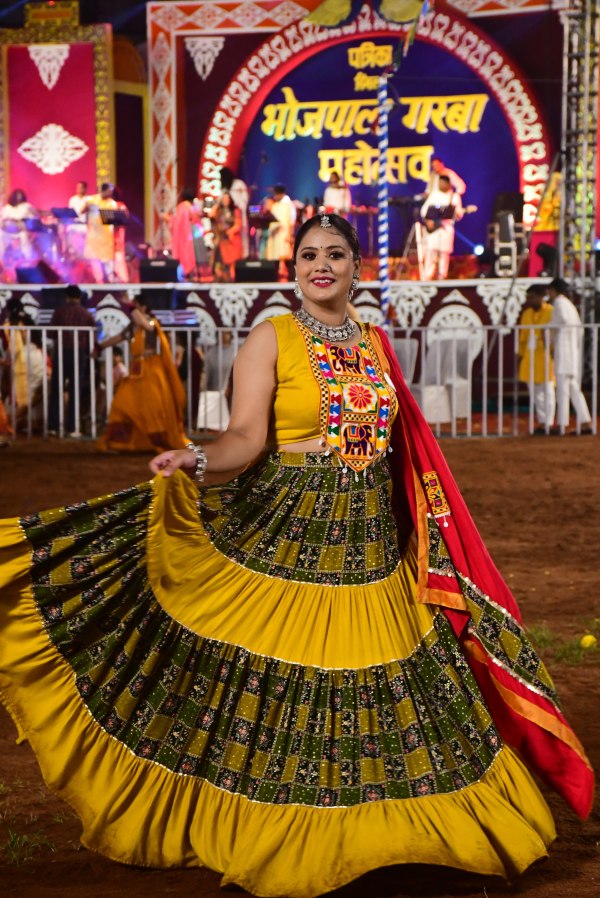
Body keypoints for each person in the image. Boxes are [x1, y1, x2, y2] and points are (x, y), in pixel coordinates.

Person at [0, 213, 593, 898]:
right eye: (308, 254)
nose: (321, 265)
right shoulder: (272, 338)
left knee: (389, 698)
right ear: (293, 268)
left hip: (369, 554)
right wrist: (197, 457)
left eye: (335, 254)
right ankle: (301, 836)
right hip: (289, 543)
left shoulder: (376, 344)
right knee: (291, 697)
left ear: (355, 266)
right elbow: (246, 438)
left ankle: (412, 837)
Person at [97, 296, 188, 452]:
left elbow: (144, 324)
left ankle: (155, 442)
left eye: (137, 306)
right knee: (122, 403)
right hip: (136, 371)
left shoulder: (152, 323)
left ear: (144, 308)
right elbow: (118, 338)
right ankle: (120, 442)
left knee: (152, 408)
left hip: (152, 372)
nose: (133, 311)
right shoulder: (133, 325)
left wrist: (130, 306)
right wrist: (100, 346)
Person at [47, 284, 96, 438]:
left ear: (66, 297)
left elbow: (51, 334)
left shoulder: (59, 312)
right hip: (79, 354)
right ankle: (73, 427)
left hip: (61, 353)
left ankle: (53, 427)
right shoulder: (87, 315)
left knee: (56, 390)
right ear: (80, 297)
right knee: (76, 390)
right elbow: (92, 339)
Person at [547, 277, 593, 435]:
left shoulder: (559, 303)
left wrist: (550, 328)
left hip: (564, 351)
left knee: (563, 389)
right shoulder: (569, 305)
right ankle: (585, 422)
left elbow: (563, 321)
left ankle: (562, 424)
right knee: (573, 388)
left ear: (554, 290)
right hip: (572, 351)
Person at [517, 283, 556, 433]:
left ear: (541, 297)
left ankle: (549, 423)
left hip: (546, 358)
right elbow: (522, 339)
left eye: (533, 297)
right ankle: (542, 422)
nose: (530, 301)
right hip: (529, 358)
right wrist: (519, 358)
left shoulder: (551, 312)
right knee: (535, 394)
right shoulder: (526, 314)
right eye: (528, 298)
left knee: (548, 392)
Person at [83, 183, 129, 283]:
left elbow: (118, 220)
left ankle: (111, 280)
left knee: (108, 260)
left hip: (107, 237)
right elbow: (82, 211)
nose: (111, 193)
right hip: (93, 236)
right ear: (105, 190)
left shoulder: (112, 204)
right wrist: (88, 208)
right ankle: (99, 280)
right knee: (94, 260)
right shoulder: (91, 200)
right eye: (110, 191)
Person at [420, 174, 463, 279]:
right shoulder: (434, 195)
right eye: (439, 183)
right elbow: (424, 211)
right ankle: (427, 277)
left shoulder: (454, 196)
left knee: (444, 254)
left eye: (442, 183)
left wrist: (457, 213)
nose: (440, 185)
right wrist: (428, 220)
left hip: (446, 228)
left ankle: (442, 277)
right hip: (434, 229)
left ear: (448, 184)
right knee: (431, 253)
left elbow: (459, 214)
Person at [208, 191, 243, 282]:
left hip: (232, 240)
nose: (225, 200)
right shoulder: (219, 211)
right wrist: (217, 204)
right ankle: (221, 279)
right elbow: (211, 215)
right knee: (220, 261)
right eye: (224, 199)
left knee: (232, 262)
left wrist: (230, 231)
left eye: (227, 199)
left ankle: (233, 279)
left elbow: (238, 224)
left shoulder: (235, 210)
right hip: (222, 239)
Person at [263, 183, 296, 278]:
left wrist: (290, 234)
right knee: (275, 257)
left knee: (286, 256)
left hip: (284, 234)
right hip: (274, 235)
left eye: (276, 194)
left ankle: (292, 278)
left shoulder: (289, 205)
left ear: (281, 194)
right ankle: (274, 277)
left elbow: (291, 221)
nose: (275, 196)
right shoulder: (274, 206)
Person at [169, 187, 203, 280]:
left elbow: (174, 224)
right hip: (195, 239)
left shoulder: (181, 207)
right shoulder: (195, 207)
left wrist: (167, 218)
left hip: (183, 239)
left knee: (184, 260)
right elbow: (199, 224)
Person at [0, 188, 39, 264]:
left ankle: (28, 259)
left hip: (20, 230)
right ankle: (1, 259)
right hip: (7, 230)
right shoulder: (8, 207)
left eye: (20, 195)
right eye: (17, 195)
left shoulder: (26, 206)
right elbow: (3, 219)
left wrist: (29, 228)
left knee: (24, 237)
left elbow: (34, 217)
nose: (18, 197)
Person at [220, 166, 250, 258]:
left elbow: (245, 200)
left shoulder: (239, 184)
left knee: (242, 237)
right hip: (228, 219)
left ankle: (244, 257)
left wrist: (237, 208)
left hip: (238, 215)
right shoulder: (224, 189)